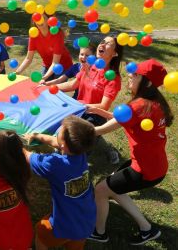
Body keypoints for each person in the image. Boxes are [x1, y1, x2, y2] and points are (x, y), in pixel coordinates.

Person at [86, 59, 172, 245]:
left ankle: (98, 233)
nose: (129, 78)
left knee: (101, 190)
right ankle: (147, 229)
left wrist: (80, 129)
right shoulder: (154, 103)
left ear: (147, 82)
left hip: (144, 170)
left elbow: (103, 129)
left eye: (134, 76)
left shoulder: (139, 105)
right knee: (113, 185)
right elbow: (123, 119)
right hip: (154, 165)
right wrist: (99, 112)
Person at [24, 115, 97, 250]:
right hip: (87, 220)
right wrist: (36, 135)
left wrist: (15, 142)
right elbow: (57, 142)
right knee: (75, 243)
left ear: (64, 145)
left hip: (64, 225)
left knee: (41, 231)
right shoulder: (80, 152)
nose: (58, 131)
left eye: (60, 130)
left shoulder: (54, 165)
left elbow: (27, 156)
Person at [57, 36, 124, 164]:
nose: (102, 45)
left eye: (108, 43)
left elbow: (104, 106)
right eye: (102, 41)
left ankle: (80, 163)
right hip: (79, 110)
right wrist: (51, 87)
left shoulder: (113, 78)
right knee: (63, 136)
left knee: (78, 145)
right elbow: (72, 85)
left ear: (115, 53)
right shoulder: (89, 66)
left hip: (95, 116)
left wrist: (82, 105)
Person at [16, 14, 73, 81]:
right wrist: (17, 73)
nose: (40, 21)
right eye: (37, 19)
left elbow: (55, 63)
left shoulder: (57, 34)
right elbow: (28, 59)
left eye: (43, 18)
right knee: (42, 87)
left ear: (49, 20)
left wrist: (44, 78)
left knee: (56, 88)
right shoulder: (34, 34)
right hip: (47, 65)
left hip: (63, 66)